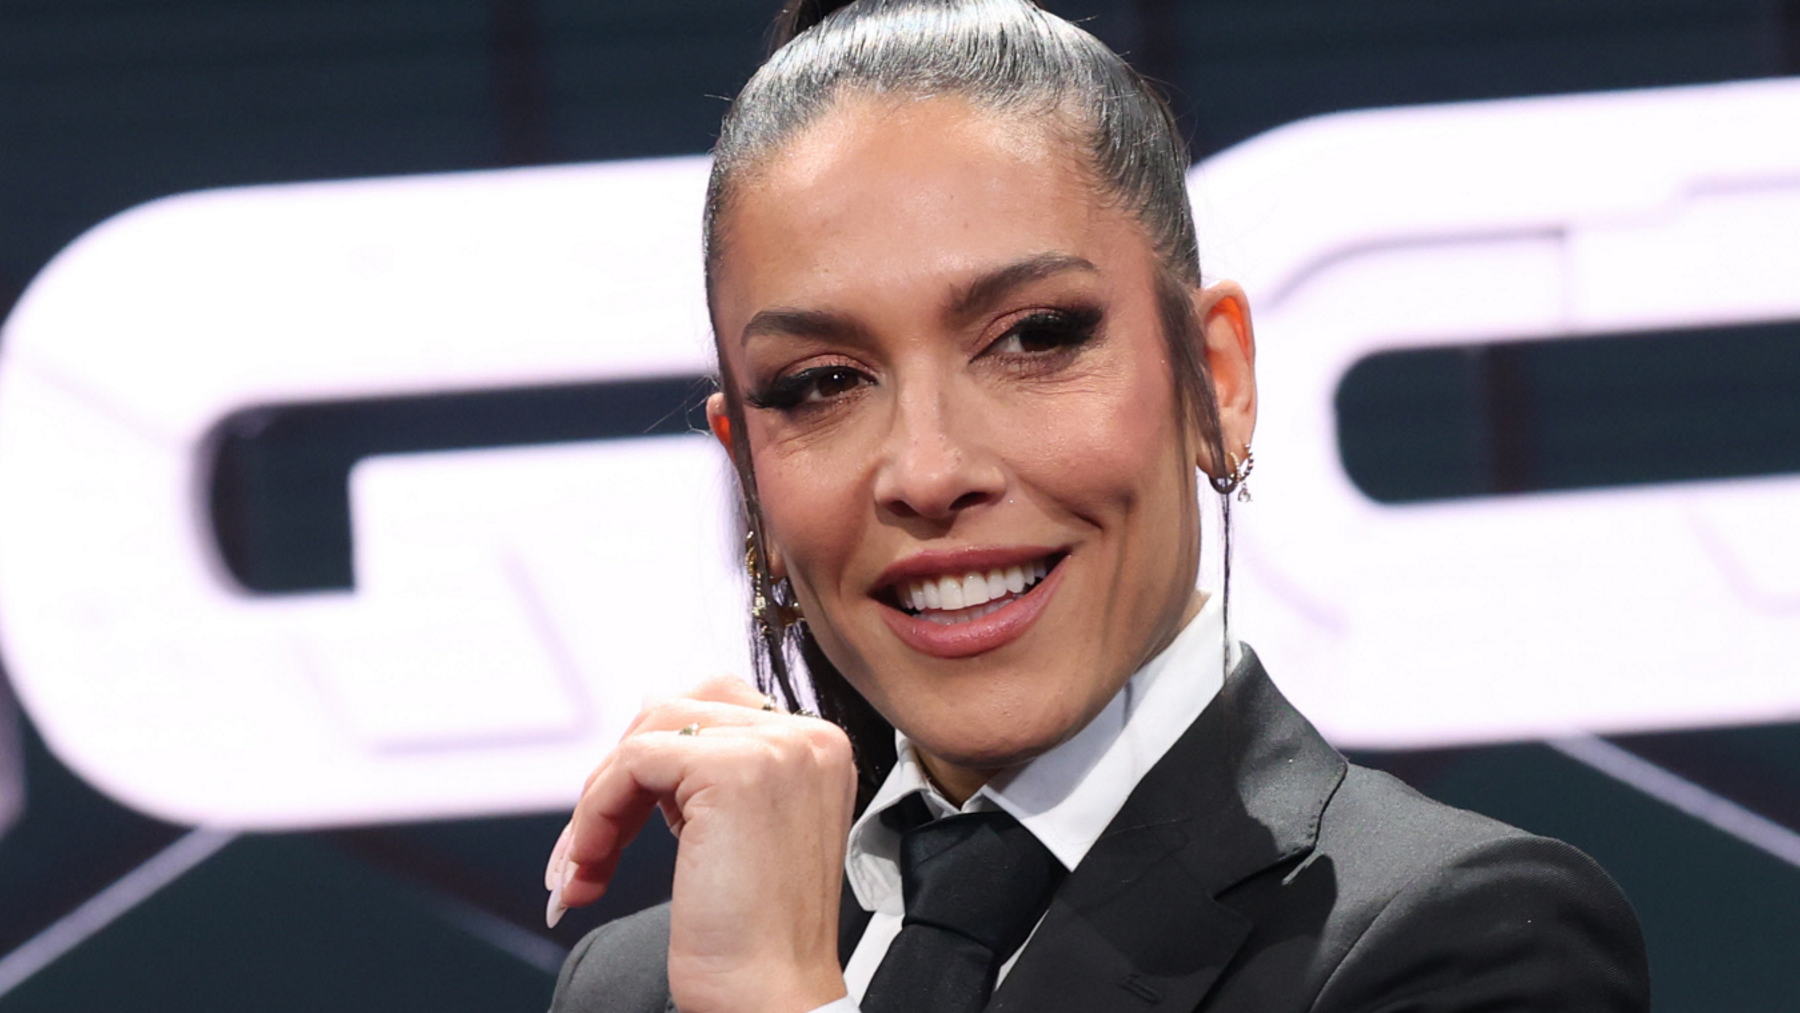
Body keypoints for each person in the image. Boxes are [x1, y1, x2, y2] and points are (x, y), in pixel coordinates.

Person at [544, 1, 1652, 1010]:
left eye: (1034, 337)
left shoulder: (1460, 940)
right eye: (821, 383)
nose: (927, 471)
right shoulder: (643, 988)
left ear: (1216, 380)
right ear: (748, 469)